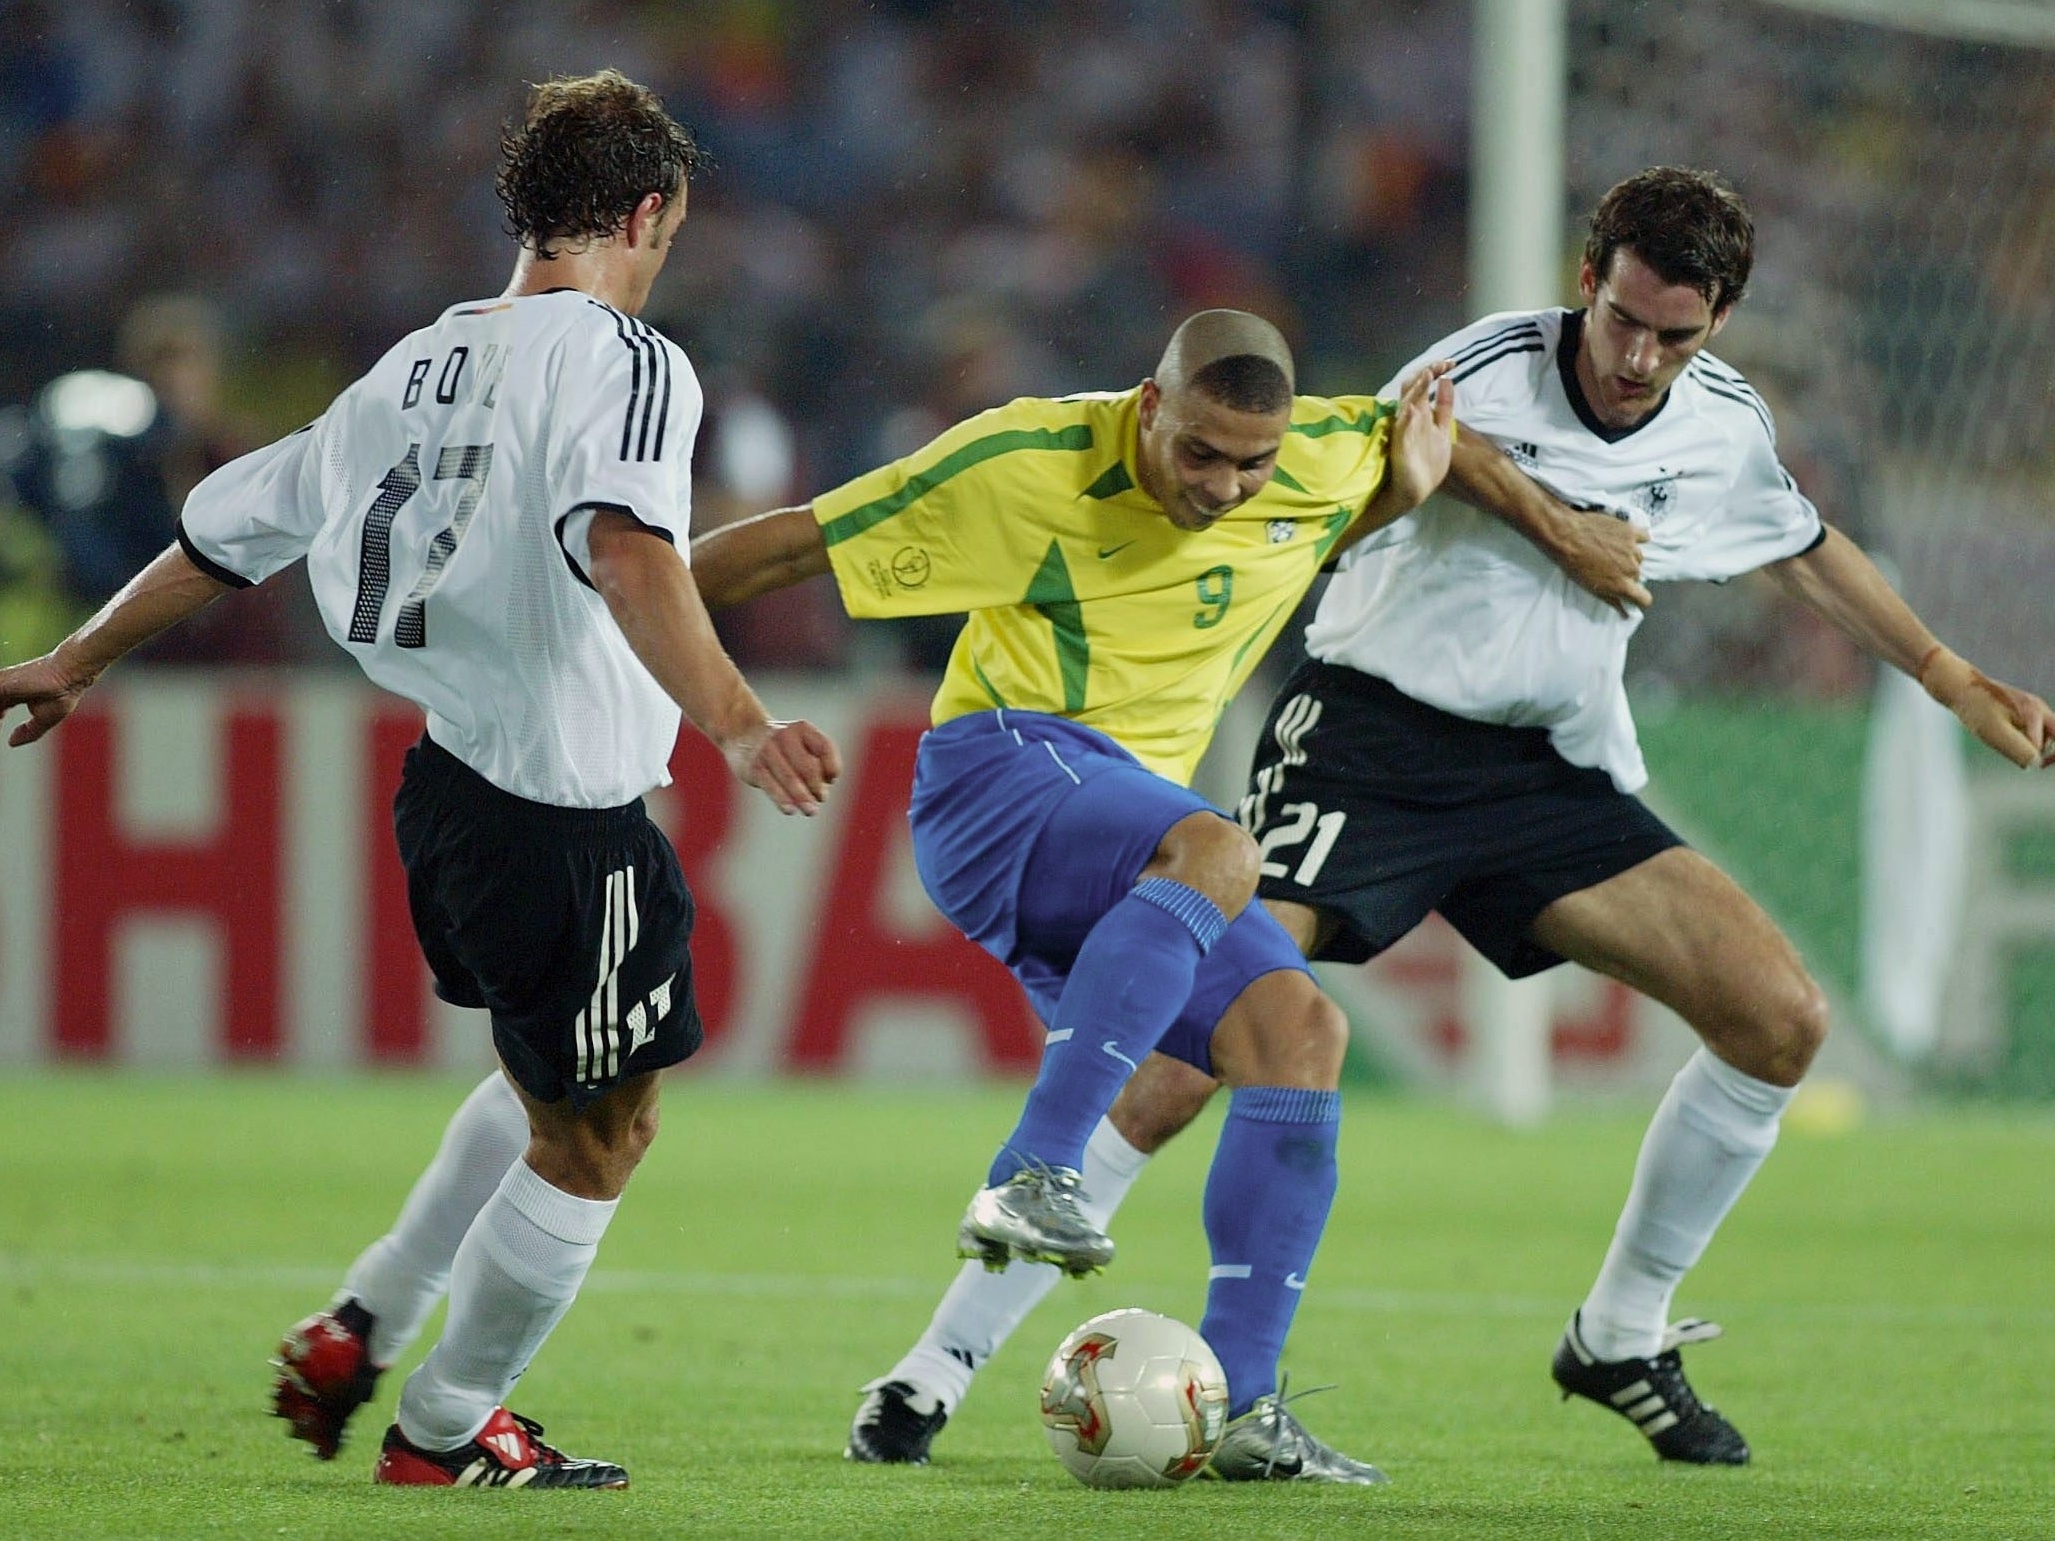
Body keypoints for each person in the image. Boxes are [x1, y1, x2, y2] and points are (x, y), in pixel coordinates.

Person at [826, 166, 2055, 1471]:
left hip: (1542, 770)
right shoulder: (1486, 362)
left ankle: (1619, 1335)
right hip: (1368, 737)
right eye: (1621, 318)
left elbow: (1800, 544)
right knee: (1208, 1040)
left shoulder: (1719, 425)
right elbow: (1404, 438)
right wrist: (1562, 527)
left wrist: (1946, 675)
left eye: (1672, 336)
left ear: (1717, 326)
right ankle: (935, 1365)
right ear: (1585, 279)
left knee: (1777, 1018)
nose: (1636, 356)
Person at [0, 71, 840, 1490]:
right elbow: (630, 550)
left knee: (541, 1078)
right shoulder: (627, 362)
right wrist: (744, 723)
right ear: (647, 213)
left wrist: (77, 657)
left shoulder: (406, 367)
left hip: (448, 795)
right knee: (603, 1134)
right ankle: (447, 1426)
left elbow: (231, 531)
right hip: (565, 817)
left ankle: (363, 1319)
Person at [689, 309, 1456, 1482]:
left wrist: (1421, 501)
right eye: (1200, 453)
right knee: (1221, 853)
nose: (1225, 486)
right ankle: (1029, 1171)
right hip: (999, 775)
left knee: (1300, 1033)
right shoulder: (1026, 465)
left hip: (1133, 823)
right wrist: (674, 679)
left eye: (1254, 461)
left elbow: (1411, 447)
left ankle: (1243, 1401)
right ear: (1150, 404)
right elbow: (767, 551)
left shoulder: (1319, 459)